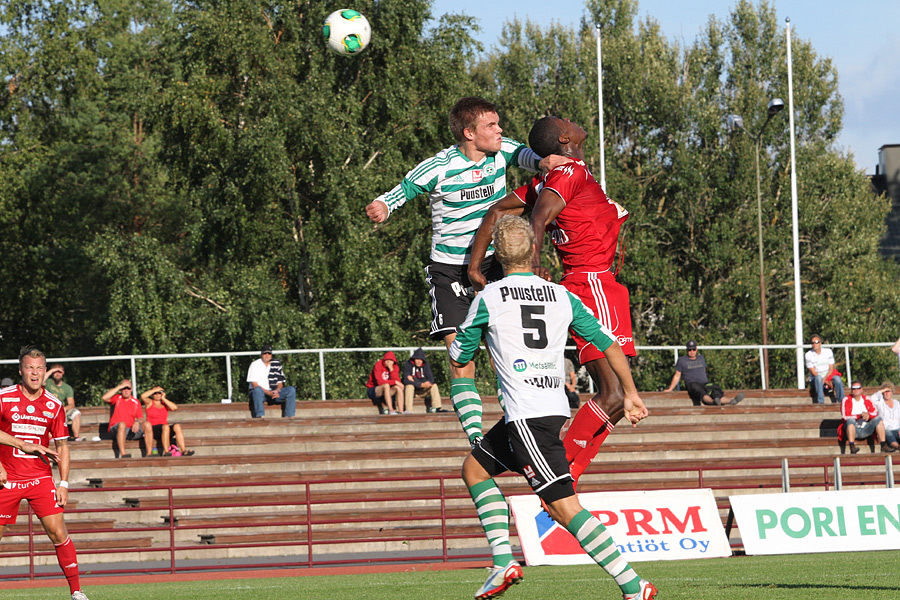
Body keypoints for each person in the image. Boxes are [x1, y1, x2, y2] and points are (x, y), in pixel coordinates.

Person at [449, 216, 656, 600]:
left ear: (498, 255)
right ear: (533, 250)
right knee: (474, 469)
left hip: (528, 416)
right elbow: (609, 344)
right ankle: (502, 562)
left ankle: (633, 585)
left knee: (562, 507)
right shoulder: (562, 296)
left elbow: (460, 357)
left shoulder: (488, 299)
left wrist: (471, 342)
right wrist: (630, 393)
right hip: (550, 408)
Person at [366, 97, 564, 443]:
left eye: (498, 124)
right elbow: (406, 189)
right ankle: (476, 440)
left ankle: (519, 427)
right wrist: (384, 204)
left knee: (506, 355)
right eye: (491, 125)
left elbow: (530, 157)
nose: (500, 130)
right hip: (449, 272)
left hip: (494, 265)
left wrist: (548, 161)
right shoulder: (439, 167)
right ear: (469, 133)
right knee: (461, 359)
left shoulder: (502, 151)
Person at [467, 115, 647, 486]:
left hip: (594, 283)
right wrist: (533, 266)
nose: (576, 122)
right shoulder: (569, 172)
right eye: (568, 121)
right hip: (592, 283)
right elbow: (538, 218)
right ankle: (556, 475)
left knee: (616, 398)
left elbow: (497, 210)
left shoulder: (554, 177)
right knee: (613, 394)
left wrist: (474, 266)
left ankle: (566, 475)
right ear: (565, 137)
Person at [0, 347, 90, 600]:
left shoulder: (54, 404)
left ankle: (77, 592)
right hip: (7, 479)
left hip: (40, 479)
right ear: (20, 370)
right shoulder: (4, 397)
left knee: (58, 533)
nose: (34, 373)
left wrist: (64, 483)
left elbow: (62, 446)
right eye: (29, 367)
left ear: (45, 371)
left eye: (39, 368)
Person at [663, 341, 745, 406]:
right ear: (687, 350)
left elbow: (704, 372)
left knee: (715, 390)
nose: (692, 352)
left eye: (693, 349)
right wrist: (670, 389)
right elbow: (677, 375)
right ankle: (713, 402)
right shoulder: (682, 360)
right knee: (701, 392)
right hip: (692, 384)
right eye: (689, 350)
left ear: (696, 349)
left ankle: (731, 401)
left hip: (704, 383)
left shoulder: (701, 358)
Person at [140, 386, 195, 457]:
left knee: (177, 426)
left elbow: (174, 408)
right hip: (153, 429)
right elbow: (143, 396)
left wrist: (164, 398)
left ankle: (184, 450)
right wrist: (154, 390)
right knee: (165, 426)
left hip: (165, 430)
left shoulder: (164, 404)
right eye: (155, 393)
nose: (157, 395)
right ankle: (166, 451)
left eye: (159, 393)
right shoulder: (150, 402)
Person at [246, 345, 297, 418]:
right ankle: (260, 416)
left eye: (269, 353)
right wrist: (268, 393)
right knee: (257, 390)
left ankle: (289, 416)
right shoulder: (254, 365)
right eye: (265, 353)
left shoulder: (276, 364)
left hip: (273, 392)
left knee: (291, 390)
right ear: (261, 354)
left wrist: (277, 390)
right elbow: (254, 385)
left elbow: (280, 383)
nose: (267, 355)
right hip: (260, 393)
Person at [841, 381, 891, 454]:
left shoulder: (867, 399)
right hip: (853, 429)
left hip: (866, 428)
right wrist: (859, 416)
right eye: (853, 388)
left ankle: (883, 445)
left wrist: (868, 415)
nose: (856, 390)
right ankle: (852, 447)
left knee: (878, 419)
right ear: (851, 390)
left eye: (858, 388)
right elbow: (845, 416)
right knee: (850, 420)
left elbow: (875, 412)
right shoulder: (846, 399)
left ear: (861, 389)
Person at [101, 379, 145, 458]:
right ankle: (123, 453)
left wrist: (137, 422)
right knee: (122, 424)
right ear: (121, 389)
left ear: (131, 390)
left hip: (130, 430)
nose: (126, 390)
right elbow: (104, 398)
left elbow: (141, 418)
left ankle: (150, 453)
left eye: (128, 388)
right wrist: (119, 387)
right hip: (115, 429)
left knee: (147, 425)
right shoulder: (117, 398)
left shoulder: (136, 402)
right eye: (124, 388)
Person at [43, 364, 83, 442]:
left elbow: (71, 404)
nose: (57, 374)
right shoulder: (48, 383)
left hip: (62, 411)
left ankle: (76, 437)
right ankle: (51, 438)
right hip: (48, 409)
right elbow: (40, 381)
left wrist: (64, 409)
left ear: (63, 373)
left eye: (59, 372)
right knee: (48, 414)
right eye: (55, 372)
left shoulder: (67, 388)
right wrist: (52, 370)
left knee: (76, 413)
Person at [805, 334, 844, 404]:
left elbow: (831, 369)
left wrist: (825, 379)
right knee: (818, 378)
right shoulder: (808, 355)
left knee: (837, 379)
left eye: (816, 342)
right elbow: (814, 373)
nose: (814, 344)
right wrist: (826, 382)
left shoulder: (828, 352)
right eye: (812, 343)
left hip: (828, 376)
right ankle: (821, 402)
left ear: (820, 343)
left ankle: (842, 401)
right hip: (816, 379)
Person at [402, 348, 443, 413]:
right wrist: (421, 384)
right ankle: (409, 410)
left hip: (423, 391)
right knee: (409, 386)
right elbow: (406, 381)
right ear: (414, 359)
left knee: (434, 386)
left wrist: (415, 381)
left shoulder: (426, 365)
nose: (419, 361)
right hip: (413, 392)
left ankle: (437, 408)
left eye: (421, 360)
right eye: (417, 359)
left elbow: (431, 379)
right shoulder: (408, 365)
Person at [871, 381, 900, 452]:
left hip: (897, 427)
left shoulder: (897, 403)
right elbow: (872, 398)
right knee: (890, 437)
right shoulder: (880, 403)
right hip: (886, 428)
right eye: (885, 392)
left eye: (888, 391)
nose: (886, 393)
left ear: (892, 392)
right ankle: (897, 447)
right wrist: (882, 390)